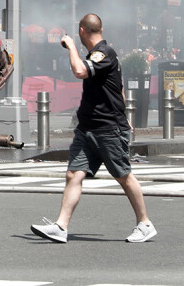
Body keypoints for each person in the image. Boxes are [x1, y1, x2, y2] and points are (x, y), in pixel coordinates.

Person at [31, 13, 156, 243]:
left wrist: (69, 47)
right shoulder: (99, 54)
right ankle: (61, 226)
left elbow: (80, 71)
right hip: (88, 129)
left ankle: (145, 223)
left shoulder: (103, 53)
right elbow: (118, 88)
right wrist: (125, 112)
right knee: (73, 174)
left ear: (81, 31)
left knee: (124, 176)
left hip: (108, 128)